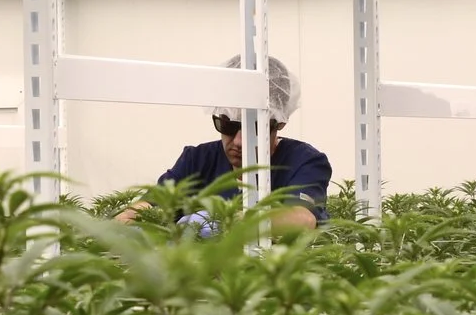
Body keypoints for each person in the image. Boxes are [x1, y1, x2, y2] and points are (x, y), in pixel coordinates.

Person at [127, 54, 330, 231]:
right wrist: (128, 223)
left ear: (280, 122)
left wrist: (227, 222)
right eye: (228, 126)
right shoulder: (196, 161)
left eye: (255, 128)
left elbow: (301, 219)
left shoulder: (304, 161)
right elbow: (147, 207)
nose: (239, 141)